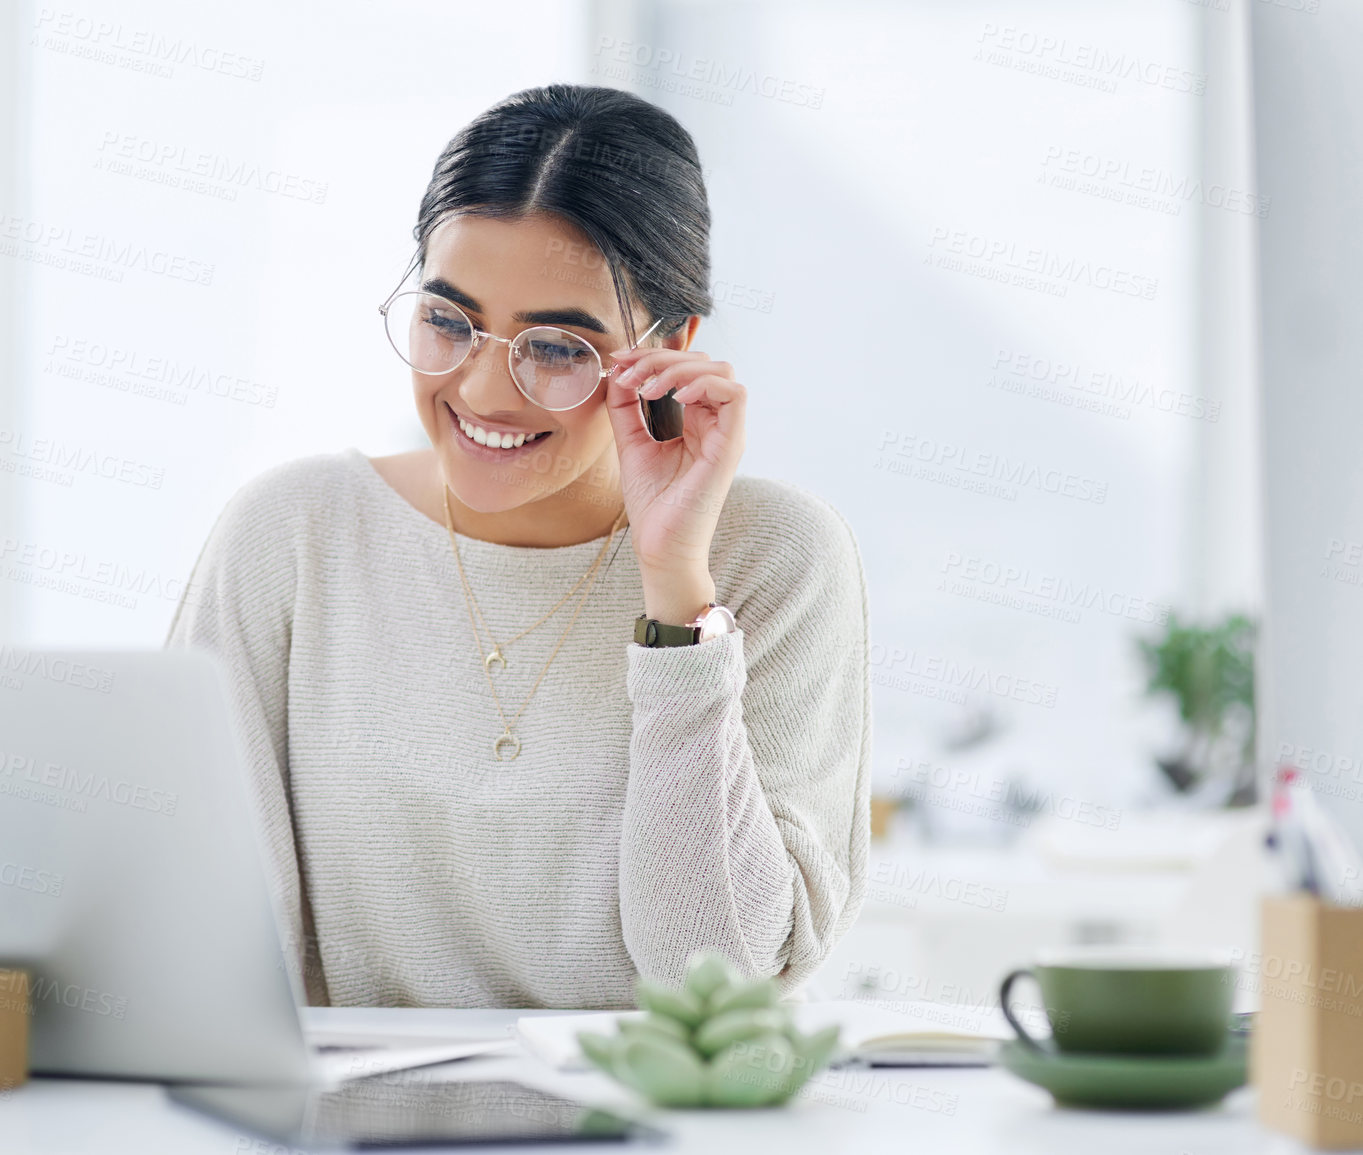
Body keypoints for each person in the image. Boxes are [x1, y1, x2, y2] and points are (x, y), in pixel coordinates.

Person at [167, 83, 871, 1009]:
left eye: (558, 347)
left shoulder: (774, 557)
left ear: (673, 349)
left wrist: (674, 592)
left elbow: (716, 974)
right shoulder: (292, 535)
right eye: (448, 322)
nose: (485, 392)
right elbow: (194, 934)